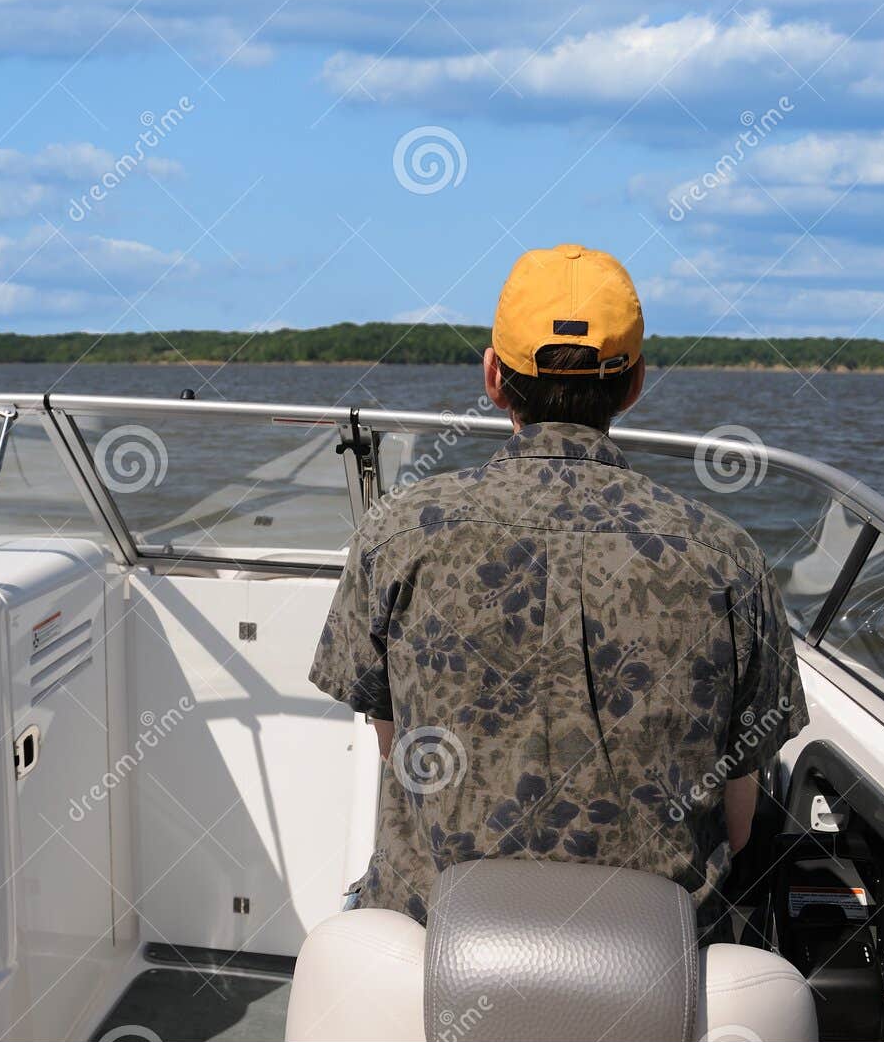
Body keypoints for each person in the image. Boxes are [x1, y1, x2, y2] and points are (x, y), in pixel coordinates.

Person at [309, 243, 808, 933]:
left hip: (435, 938)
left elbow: (397, 750)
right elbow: (741, 826)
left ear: (494, 376)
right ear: (635, 383)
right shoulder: (729, 557)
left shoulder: (397, 532)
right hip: (651, 956)